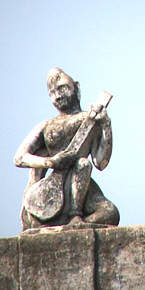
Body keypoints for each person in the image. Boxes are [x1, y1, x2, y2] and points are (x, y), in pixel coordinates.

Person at [14, 67, 119, 231]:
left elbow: (100, 162)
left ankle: (76, 217)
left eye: (62, 88)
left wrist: (106, 125)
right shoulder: (47, 125)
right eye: (52, 93)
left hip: (81, 181)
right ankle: (62, 220)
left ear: (76, 88)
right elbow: (19, 157)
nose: (58, 95)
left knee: (110, 213)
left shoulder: (89, 119)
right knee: (33, 217)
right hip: (52, 185)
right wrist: (50, 161)